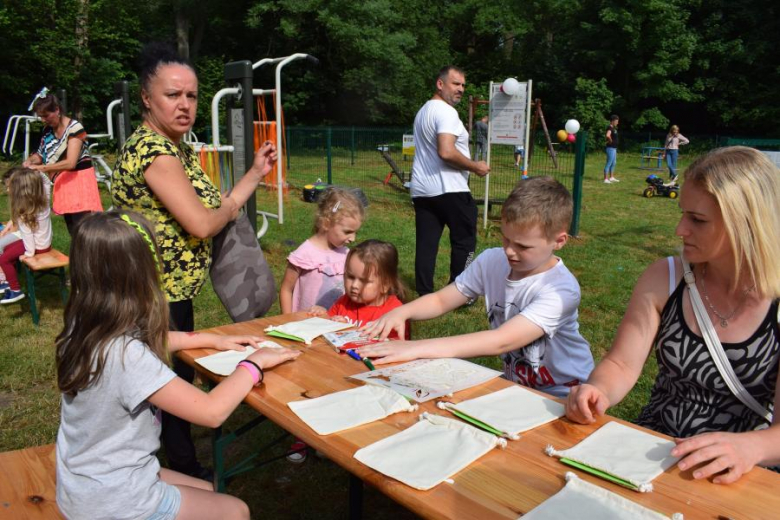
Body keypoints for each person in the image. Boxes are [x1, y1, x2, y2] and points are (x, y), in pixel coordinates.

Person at [55, 210, 300, 520]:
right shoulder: (128, 358)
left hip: (83, 486)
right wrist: (254, 363)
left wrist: (211, 339)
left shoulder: (83, 329)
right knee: (236, 511)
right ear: (142, 275)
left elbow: (150, 340)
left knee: (209, 489)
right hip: (115, 502)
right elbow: (211, 411)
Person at [111, 43, 278, 481]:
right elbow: (203, 223)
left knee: (174, 376)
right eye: (173, 95)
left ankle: (173, 458)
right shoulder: (156, 152)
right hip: (153, 294)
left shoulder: (176, 147)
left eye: (191, 95)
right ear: (147, 98)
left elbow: (217, 206)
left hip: (172, 291)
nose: (185, 105)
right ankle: (176, 468)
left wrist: (254, 174)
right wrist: (226, 211)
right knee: (164, 383)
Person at [566, 146, 780, 485]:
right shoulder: (665, 277)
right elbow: (621, 364)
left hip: (736, 473)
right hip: (653, 452)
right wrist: (597, 389)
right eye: (683, 214)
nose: (680, 229)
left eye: (697, 220)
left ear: (746, 222)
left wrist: (749, 447)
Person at [360, 177, 594, 398]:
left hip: (566, 392)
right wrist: (402, 311)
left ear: (559, 241)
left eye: (522, 246)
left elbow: (501, 341)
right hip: (519, 386)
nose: (509, 251)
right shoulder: (492, 261)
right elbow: (441, 300)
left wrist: (414, 348)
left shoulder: (561, 290)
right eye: (505, 238)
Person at [411, 65, 490, 296]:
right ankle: (460, 293)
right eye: (456, 84)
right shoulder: (446, 112)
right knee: (465, 241)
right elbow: (446, 151)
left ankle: (424, 293)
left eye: (463, 85)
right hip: (451, 189)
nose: (461, 89)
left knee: (426, 244)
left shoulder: (423, 111)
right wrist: (475, 166)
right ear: (440, 84)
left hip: (423, 190)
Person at [22, 92, 103, 235]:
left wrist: (41, 168)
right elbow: (41, 154)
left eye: (46, 115)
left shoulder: (75, 128)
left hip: (80, 185)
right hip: (64, 185)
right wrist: (30, 161)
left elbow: (70, 163)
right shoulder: (47, 130)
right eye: (41, 117)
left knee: (86, 231)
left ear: (57, 110)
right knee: (73, 230)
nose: (43, 120)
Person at [280, 187, 364, 314]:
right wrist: (287, 319)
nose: (353, 238)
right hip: (307, 322)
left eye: (355, 232)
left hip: (337, 322)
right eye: (348, 232)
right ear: (326, 223)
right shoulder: (305, 254)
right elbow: (286, 289)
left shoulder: (346, 254)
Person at [311, 239, 410, 340]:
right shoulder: (344, 302)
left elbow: (396, 345)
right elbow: (326, 330)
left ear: (385, 285)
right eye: (350, 277)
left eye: (364, 281)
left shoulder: (394, 313)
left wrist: (348, 330)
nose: (354, 285)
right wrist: (323, 316)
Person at [0, 168, 52, 304]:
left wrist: (28, 254)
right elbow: (47, 184)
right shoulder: (44, 202)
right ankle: (8, 278)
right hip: (45, 245)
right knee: (8, 249)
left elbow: (28, 238)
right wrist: (39, 172)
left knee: (3, 259)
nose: (9, 190)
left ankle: (15, 290)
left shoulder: (24, 213)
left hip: (36, 247)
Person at [0, 167, 25, 294]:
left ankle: (3, 278)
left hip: (22, 235)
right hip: (19, 232)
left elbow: (18, 226)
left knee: (0, 245)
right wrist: (4, 231)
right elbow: (13, 219)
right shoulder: (17, 199)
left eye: (9, 186)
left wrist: (7, 233)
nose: (8, 190)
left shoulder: (24, 200)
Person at [603, 114, 620, 184]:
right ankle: (605, 179)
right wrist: (610, 140)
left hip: (614, 148)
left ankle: (611, 177)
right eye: (616, 121)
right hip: (610, 148)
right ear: (612, 121)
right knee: (609, 163)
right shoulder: (609, 128)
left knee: (614, 163)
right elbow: (607, 135)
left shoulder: (613, 128)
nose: (617, 123)